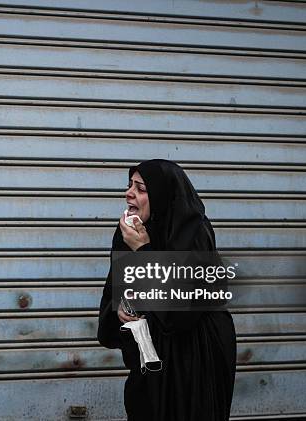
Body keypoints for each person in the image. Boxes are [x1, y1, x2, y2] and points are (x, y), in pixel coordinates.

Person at [97, 159, 237, 421]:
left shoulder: (193, 234)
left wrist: (144, 252)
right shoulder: (130, 233)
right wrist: (119, 310)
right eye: (129, 186)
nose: (129, 193)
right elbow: (114, 297)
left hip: (196, 360)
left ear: (163, 197)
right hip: (151, 365)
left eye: (141, 188)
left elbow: (180, 313)